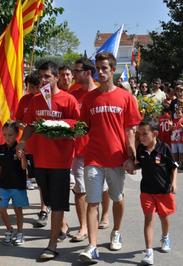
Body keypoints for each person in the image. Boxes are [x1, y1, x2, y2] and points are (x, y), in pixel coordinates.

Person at [78, 52, 141, 263]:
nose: (101, 72)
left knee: (117, 198)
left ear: (113, 70)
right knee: (92, 201)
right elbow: (83, 127)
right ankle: (92, 246)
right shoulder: (89, 98)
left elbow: (131, 130)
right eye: (99, 68)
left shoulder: (126, 97)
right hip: (93, 158)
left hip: (116, 158)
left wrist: (131, 156)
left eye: (105, 68)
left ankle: (116, 231)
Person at [18, 61, 80, 260]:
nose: (43, 80)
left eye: (47, 76)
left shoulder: (68, 100)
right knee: (51, 202)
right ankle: (61, 226)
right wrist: (22, 141)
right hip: (41, 159)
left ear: (56, 77)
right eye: (41, 76)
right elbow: (30, 125)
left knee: (58, 203)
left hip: (61, 161)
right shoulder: (36, 100)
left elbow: (79, 125)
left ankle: (51, 246)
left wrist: (60, 127)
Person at [69, 58, 110, 243]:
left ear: (87, 73)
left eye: (76, 71)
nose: (74, 74)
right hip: (78, 149)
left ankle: (106, 215)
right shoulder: (73, 92)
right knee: (80, 189)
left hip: (99, 150)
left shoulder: (101, 92)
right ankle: (84, 226)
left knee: (104, 188)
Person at [136, 119, 178, 266]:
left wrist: (174, 183)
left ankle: (165, 236)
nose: (141, 137)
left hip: (163, 191)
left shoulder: (164, 148)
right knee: (148, 219)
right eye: (139, 134)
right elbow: (139, 165)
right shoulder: (140, 149)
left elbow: (173, 167)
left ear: (154, 134)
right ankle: (149, 253)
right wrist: (130, 165)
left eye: (144, 134)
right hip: (146, 190)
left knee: (164, 217)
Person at [15, 72, 49, 227]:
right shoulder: (25, 100)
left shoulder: (47, 99)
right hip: (29, 147)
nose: (28, 89)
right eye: (27, 86)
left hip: (45, 147)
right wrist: (24, 127)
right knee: (34, 179)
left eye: (30, 86)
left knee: (44, 181)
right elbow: (19, 120)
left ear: (38, 86)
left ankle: (44, 209)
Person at [0, 120, 28, 246]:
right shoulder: (0, 148)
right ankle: (9, 229)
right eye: (5, 135)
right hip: (4, 185)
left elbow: (24, 167)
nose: (7, 138)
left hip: (18, 185)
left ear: (17, 135)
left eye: (10, 135)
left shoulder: (20, 148)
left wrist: (22, 157)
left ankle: (20, 233)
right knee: (2, 208)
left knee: (18, 210)